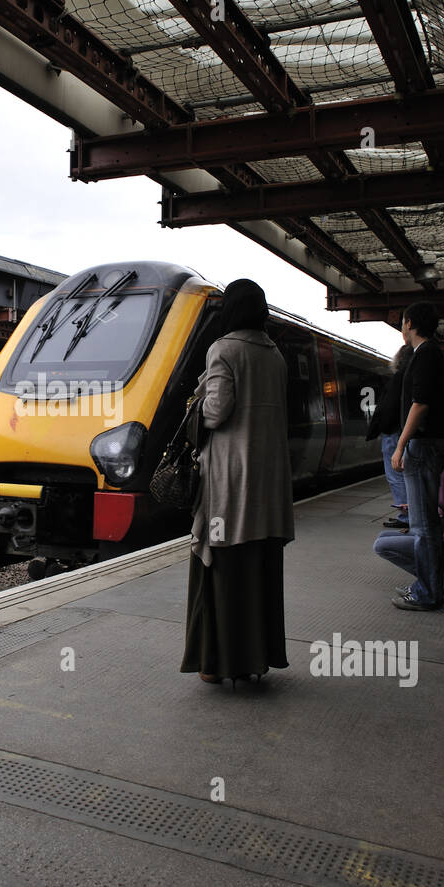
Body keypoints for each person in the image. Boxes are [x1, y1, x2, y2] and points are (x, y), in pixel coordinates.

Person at [180, 279, 294, 687]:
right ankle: (254, 661)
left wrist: (195, 406)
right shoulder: (274, 354)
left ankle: (217, 662)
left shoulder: (223, 349)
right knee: (260, 571)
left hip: (230, 485)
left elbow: (216, 410)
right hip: (269, 485)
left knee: (221, 567)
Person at [388, 302, 444, 610]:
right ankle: (429, 584)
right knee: (424, 525)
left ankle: (427, 594)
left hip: (422, 448)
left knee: (423, 526)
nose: (401, 327)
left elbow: (420, 403)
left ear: (410, 323)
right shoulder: (429, 354)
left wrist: (400, 445)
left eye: (402, 322)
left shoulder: (426, 354)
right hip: (426, 447)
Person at [373, 462, 444, 600]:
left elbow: (440, 517)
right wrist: (412, 507)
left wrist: (416, 518)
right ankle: (435, 577)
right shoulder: (441, 472)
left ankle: (437, 577)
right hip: (443, 537)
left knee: (381, 546)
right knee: (383, 535)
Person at [366, 343, 412, 529]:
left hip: (393, 434)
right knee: (405, 476)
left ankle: (406, 516)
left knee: (396, 476)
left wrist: (381, 427)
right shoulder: (410, 379)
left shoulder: (398, 379)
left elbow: (388, 408)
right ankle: (407, 514)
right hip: (402, 432)